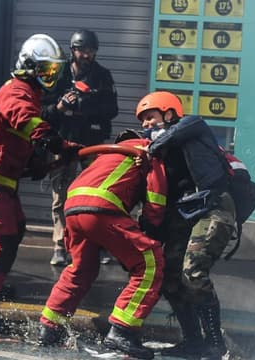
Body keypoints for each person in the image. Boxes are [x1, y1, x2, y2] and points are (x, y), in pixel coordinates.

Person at [0, 33, 81, 333]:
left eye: (53, 70)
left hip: (2, 180)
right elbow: (24, 120)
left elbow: (17, 138)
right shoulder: (17, 91)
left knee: (12, 235)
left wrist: (39, 162)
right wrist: (51, 140)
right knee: (0, 241)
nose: (50, 76)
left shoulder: (30, 92)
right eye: (46, 69)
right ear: (29, 66)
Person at [38, 133, 167, 360]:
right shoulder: (147, 151)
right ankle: (122, 330)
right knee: (149, 262)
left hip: (73, 209)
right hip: (101, 208)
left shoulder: (108, 154)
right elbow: (155, 194)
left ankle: (50, 327)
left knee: (81, 269)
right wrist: (153, 227)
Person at [137, 91, 236, 359]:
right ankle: (193, 341)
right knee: (169, 278)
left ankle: (216, 344)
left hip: (214, 208)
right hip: (185, 216)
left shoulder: (192, 125)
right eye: (142, 121)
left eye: (150, 117)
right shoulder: (160, 152)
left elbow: (173, 134)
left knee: (193, 273)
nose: (146, 124)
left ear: (169, 113)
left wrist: (151, 144)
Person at [41, 29, 119, 266]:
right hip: (61, 142)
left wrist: (86, 106)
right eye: (82, 50)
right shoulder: (57, 73)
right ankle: (59, 246)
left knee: (95, 197)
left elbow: (112, 109)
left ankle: (98, 245)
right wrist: (62, 106)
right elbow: (42, 109)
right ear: (73, 50)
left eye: (91, 51)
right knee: (60, 197)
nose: (87, 55)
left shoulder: (103, 76)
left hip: (91, 143)